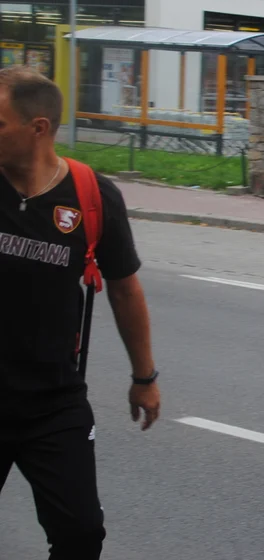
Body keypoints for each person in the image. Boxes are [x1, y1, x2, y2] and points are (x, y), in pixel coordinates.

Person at [0, 66, 160, 560]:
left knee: (81, 535)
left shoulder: (92, 197)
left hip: (53, 403)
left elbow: (124, 290)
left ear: (38, 128)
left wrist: (144, 376)